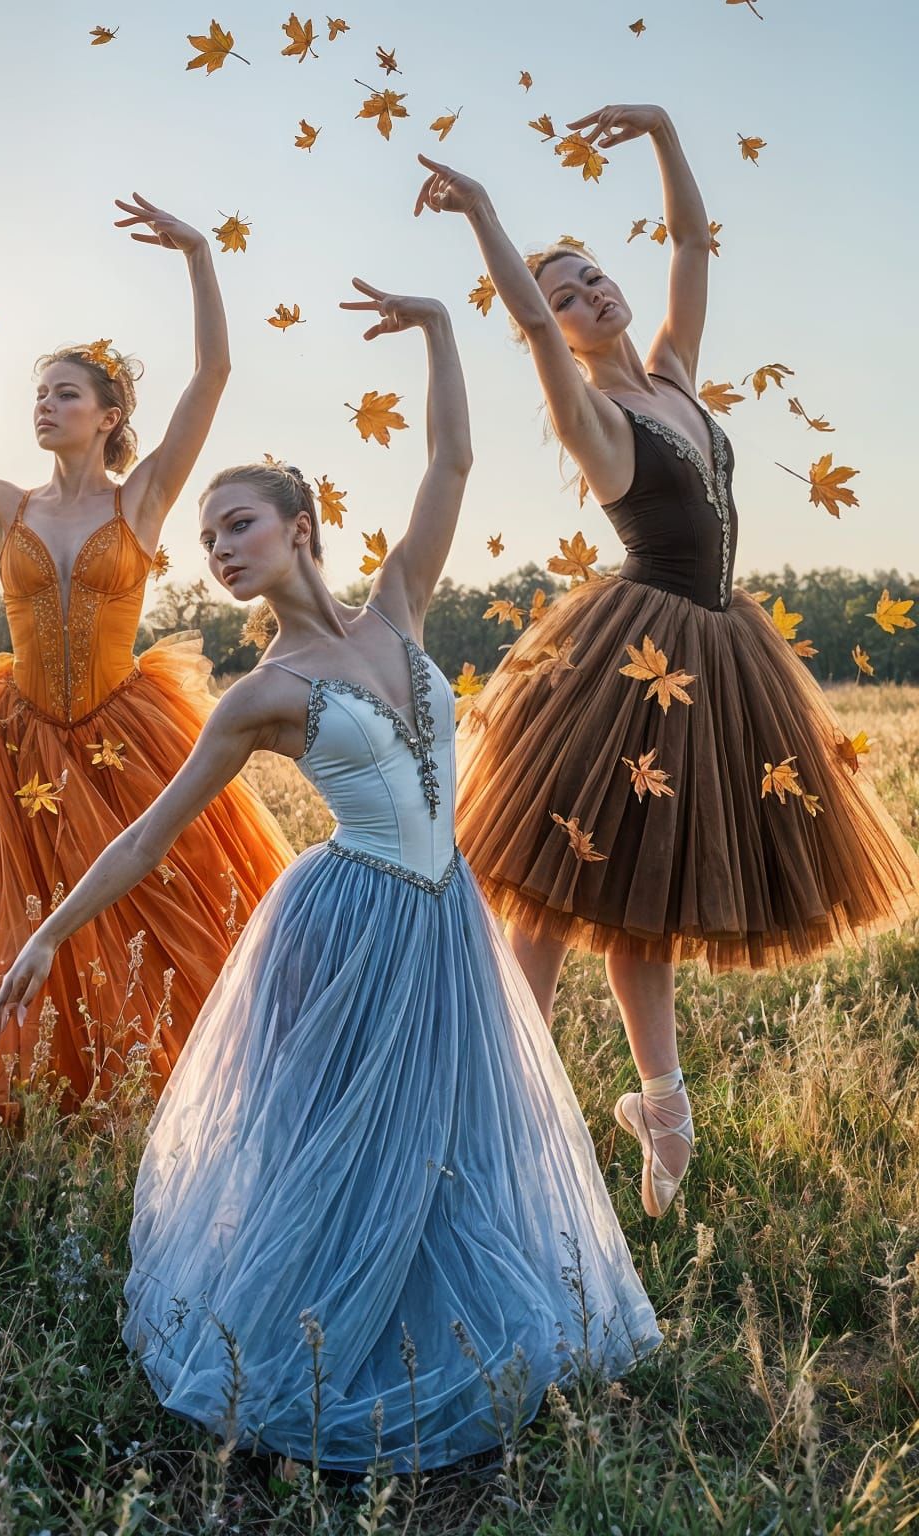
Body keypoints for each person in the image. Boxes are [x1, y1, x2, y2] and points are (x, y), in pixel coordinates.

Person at [0, 284, 658, 1473]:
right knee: (339, 1143)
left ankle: (446, 1324)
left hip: (448, 915)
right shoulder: (261, 695)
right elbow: (144, 835)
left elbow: (451, 459)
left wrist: (444, 332)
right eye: (205, 541)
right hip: (345, 925)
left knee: (454, 1132)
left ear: (299, 525)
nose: (218, 550)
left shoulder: (399, 608)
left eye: (236, 524)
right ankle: (299, 1354)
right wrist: (48, 932)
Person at [413, 106, 919, 1217]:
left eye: (593, 276)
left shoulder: (678, 373)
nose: (590, 295)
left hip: (722, 650)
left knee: (644, 895)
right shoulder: (593, 414)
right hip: (630, 658)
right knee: (552, 894)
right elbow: (541, 339)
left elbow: (691, 245)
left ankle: (661, 1104)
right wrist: (488, 218)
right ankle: (494, 1122)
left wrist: (661, 129)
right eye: (564, 293)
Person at [0, 196, 293, 1115]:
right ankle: (28, 1080)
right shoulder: (7, 505)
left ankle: (195, 1080)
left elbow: (215, 373)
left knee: (163, 900)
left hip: (130, 727)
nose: (44, 406)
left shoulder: (146, 499)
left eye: (63, 393)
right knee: (10, 910)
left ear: (108, 413)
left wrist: (199, 254)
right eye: (37, 395)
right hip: (21, 736)